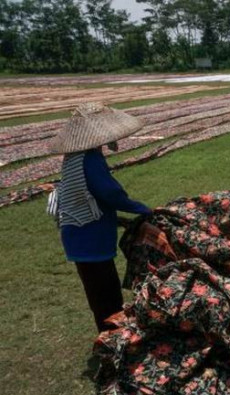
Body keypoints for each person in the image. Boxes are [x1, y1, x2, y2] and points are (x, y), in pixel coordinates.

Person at [47, 103, 152, 332]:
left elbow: (88, 197)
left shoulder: (76, 156)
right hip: (88, 237)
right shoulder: (90, 159)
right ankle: (112, 340)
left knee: (100, 293)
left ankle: (111, 335)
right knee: (106, 294)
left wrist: (120, 220)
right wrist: (142, 209)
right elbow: (109, 194)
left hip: (80, 234)